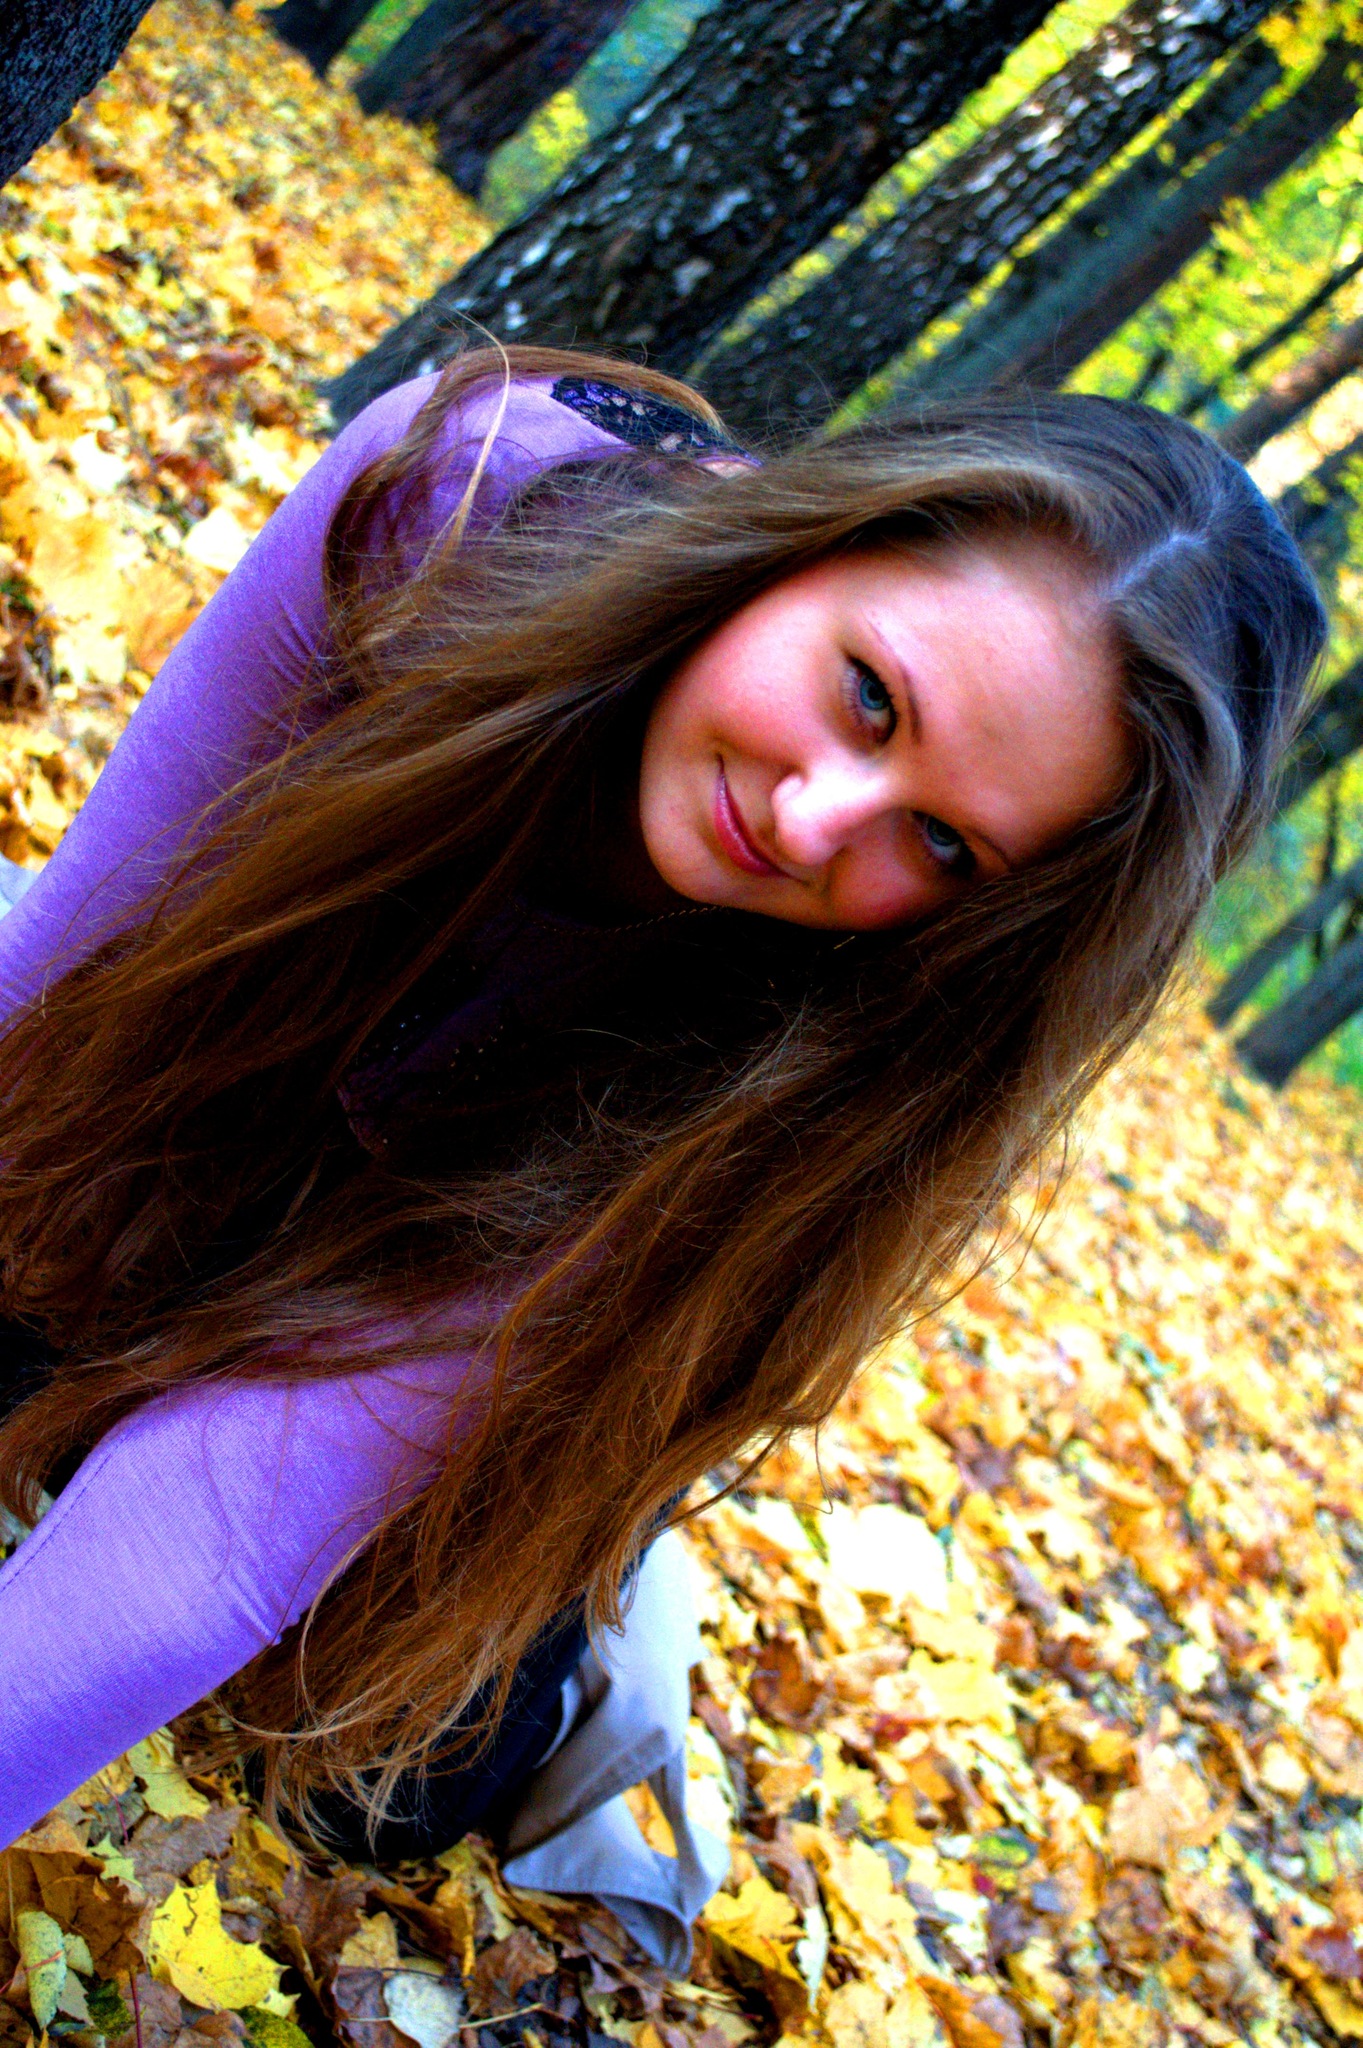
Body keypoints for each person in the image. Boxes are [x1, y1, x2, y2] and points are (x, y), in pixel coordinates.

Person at [0, 345, 1325, 1902]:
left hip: (448, 1322)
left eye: (943, 844)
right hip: (242, 1110)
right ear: (808, 539)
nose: (815, 821)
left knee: (375, 1762)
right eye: (869, 696)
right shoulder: (473, 492)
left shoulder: (855, 1055)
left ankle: (591, 1627)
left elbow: (221, 1529)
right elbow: (67, 979)